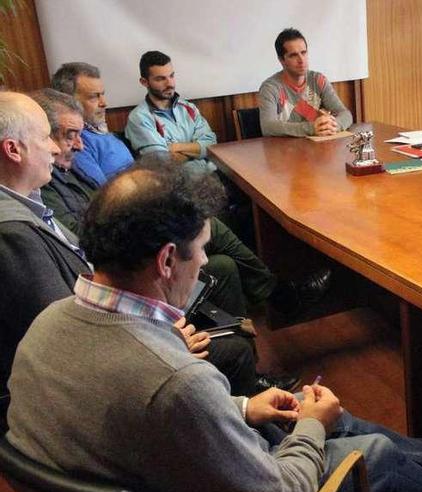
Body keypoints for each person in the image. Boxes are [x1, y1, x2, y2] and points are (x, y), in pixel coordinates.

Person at [6, 160, 422, 492]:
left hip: (138, 465)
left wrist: (242, 407)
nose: (204, 263)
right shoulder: (175, 382)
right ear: (165, 261)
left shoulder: (47, 324)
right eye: (200, 251)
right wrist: (312, 427)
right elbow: (279, 488)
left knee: (311, 414)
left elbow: (152, 417)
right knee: (366, 450)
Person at [23, 88, 293, 398]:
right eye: (59, 136)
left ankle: (251, 369)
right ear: (15, 148)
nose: (75, 146)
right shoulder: (30, 210)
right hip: (129, 255)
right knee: (212, 235)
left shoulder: (63, 174)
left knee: (223, 267)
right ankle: (276, 298)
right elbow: (101, 223)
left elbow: (210, 143)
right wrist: (170, 343)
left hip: (126, 254)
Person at [52, 63, 332, 319]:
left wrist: (184, 149)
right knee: (215, 222)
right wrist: (193, 150)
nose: (104, 103)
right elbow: (157, 163)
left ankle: (272, 292)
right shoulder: (98, 136)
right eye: (93, 97)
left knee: (252, 207)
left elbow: (209, 142)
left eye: (171, 76)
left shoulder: (182, 110)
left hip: (191, 183)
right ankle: (278, 292)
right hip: (150, 208)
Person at [0, 92, 79, 421]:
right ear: (13, 149)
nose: (57, 147)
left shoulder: (28, 201)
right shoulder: (12, 233)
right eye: (46, 136)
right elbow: (69, 341)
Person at [125, 51, 216, 176]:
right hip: (179, 188)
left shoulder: (188, 108)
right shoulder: (139, 118)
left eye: (171, 76)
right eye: (160, 79)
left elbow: (211, 145)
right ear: (144, 82)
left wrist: (175, 147)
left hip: (212, 175)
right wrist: (196, 150)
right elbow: (163, 162)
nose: (170, 84)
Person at [258, 28, 354, 137]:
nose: (301, 60)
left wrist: (334, 125)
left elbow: (345, 114)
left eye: (304, 53)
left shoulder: (318, 80)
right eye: (293, 55)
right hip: (284, 150)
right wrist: (312, 128)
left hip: (315, 149)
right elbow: (268, 127)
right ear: (281, 60)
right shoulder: (271, 88)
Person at [50, 62, 130, 185]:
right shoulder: (76, 142)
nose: (104, 103)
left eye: (102, 94)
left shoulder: (99, 128)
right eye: (94, 97)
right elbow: (101, 194)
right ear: (67, 100)